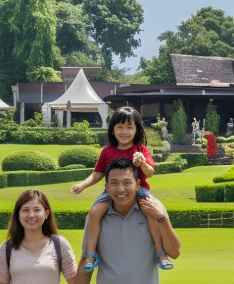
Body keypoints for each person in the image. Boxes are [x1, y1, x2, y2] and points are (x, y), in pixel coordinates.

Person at [70, 106, 172, 273]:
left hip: (139, 191)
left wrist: (142, 164)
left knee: (151, 212)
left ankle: (160, 253)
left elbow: (150, 173)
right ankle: (90, 254)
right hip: (111, 192)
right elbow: (97, 174)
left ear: (136, 130)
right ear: (112, 130)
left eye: (129, 127)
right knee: (94, 212)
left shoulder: (141, 150)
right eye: (120, 127)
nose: (124, 132)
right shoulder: (107, 151)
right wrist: (82, 186)